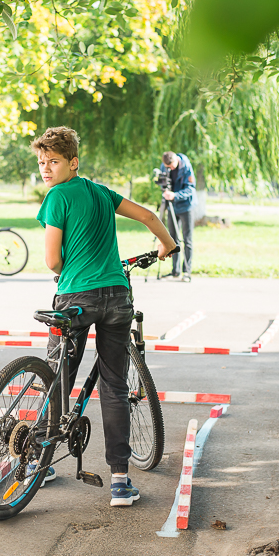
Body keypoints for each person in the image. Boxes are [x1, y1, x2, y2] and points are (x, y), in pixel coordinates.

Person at [33, 126, 177, 507]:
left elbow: (52, 260)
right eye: (42, 162)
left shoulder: (57, 197)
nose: (46, 169)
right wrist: (167, 245)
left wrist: (67, 271)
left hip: (76, 298)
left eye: (53, 162)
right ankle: (120, 482)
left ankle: (40, 460)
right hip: (116, 297)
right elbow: (148, 216)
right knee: (114, 386)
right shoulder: (102, 193)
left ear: (73, 162)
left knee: (57, 377)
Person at [159, 151, 196, 282]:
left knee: (187, 240)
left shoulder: (186, 167)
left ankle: (187, 272)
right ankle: (175, 271)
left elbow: (191, 189)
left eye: (171, 166)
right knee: (172, 240)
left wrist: (175, 195)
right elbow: (162, 182)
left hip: (186, 207)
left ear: (176, 160)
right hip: (172, 207)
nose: (170, 169)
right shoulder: (164, 166)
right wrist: (164, 191)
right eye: (167, 167)